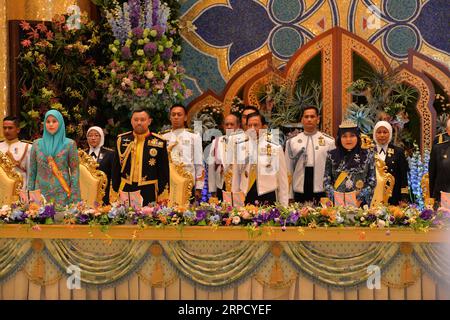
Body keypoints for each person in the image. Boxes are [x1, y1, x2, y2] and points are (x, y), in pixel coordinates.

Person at [112, 109, 169, 206]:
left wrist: (163, 195)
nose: (139, 122)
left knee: (149, 218)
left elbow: (164, 171)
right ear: (131, 121)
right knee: (126, 218)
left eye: (142, 120)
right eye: (136, 120)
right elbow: (116, 168)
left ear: (149, 121)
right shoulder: (121, 140)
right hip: (126, 187)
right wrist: (114, 191)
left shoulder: (159, 142)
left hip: (149, 188)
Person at [232, 113, 288, 206]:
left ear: (264, 127)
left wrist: (284, 205)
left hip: (268, 194)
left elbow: (282, 180)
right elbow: (236, 176)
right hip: (246, 193)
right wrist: (236, 204)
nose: (252, 129)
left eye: (256, 125)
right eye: (249, 125)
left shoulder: (275, 147)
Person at [28, 110, 81, 206]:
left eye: (54, 121)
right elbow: (32, 171)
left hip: (62, 193)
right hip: (39, 194)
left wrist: (74, 195)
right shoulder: (36, 144)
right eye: (48, 122)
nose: (51, 124)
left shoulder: (69, 144)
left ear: (60, 123)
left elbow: (75, 171)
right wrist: (29, 194)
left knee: (61, 220)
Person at [285, 106, 335, 204]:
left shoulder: (329, 141)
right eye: (306, 117)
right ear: (302, 120)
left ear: (318, 119)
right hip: (299, 187)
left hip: (321, 188)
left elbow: (332, 169)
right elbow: (288, 169)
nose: (309, 119)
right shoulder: (292, 142)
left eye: (312, 117)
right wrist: (288, 194)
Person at [323, 120, 376, 207]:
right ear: (339, 138)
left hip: (360, 204)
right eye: (344, 136)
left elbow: (372, 181)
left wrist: (359, 196)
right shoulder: (331, 155)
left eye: (352, 136)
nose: (348, 139)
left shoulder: (368, 155)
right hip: (337, 204)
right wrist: (336, 196)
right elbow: (326, 181)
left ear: (358, 137)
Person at [162, 104, 204, 201]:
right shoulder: (163, 137)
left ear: (185, 117)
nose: (176, 117)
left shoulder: (194, 137)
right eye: (173, 114)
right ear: (170, 117)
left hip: (188, 182)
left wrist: (199, 188)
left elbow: (199, 163)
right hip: (168, 182)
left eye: (179, 114)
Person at [372, 121, 409, 205]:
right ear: (374, 134)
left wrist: (404, 197)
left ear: (390, 134)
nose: (382, 135)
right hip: (373, 195)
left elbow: (403, 176)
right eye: (379, 132)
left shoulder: (398, 152)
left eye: (385, 132)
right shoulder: (369, 151)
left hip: (393, 195)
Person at [208, 114, 240, 200]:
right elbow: (212, 167)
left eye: (232, 124)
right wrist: (212, 189)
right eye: (227, 124)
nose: (229, 126)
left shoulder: (244, 141)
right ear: (223, 126)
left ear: (237, 126)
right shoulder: (216, 142)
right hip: (222, 183)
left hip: (239, 184)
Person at [0, 116, 31, 188]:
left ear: (18, 130)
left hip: (20, 189)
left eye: (10, 128)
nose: (7, 131)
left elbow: (30, 172)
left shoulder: (27, 147)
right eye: (4, 128)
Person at [86, 126, 114, 205]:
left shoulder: (110, 154)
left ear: (101, 137)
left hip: (104, 192)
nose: (93, 138)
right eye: (90, 135)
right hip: (87, 192)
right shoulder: (83, 154)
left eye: (96, 135)